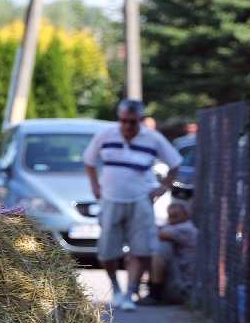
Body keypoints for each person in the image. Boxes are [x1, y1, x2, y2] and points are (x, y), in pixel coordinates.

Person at [83, 99, 183, 311]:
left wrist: (163, 187)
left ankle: (129, 293)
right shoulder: (105, 134)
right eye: (123, 121)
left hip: (140, 199)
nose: (127, 126)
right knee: (107, 250)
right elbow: (89, 160)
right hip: (111, 198)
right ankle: (116, 290)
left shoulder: (152, 138)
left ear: (140, 119)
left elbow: (175, 163)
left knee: (141, 249)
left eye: (132, 121)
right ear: (119, 119)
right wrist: (95, 185)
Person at [136, 200, 198, 305]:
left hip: (181, 288)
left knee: (162, 246)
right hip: (174, 284)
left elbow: (161, 236)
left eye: (175, 216)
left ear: (186, 216)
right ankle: (137, 288)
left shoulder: (187, 228)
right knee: (145, 249)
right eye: (170, 216)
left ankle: (155, 295)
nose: (171, 219)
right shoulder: (174, 227)